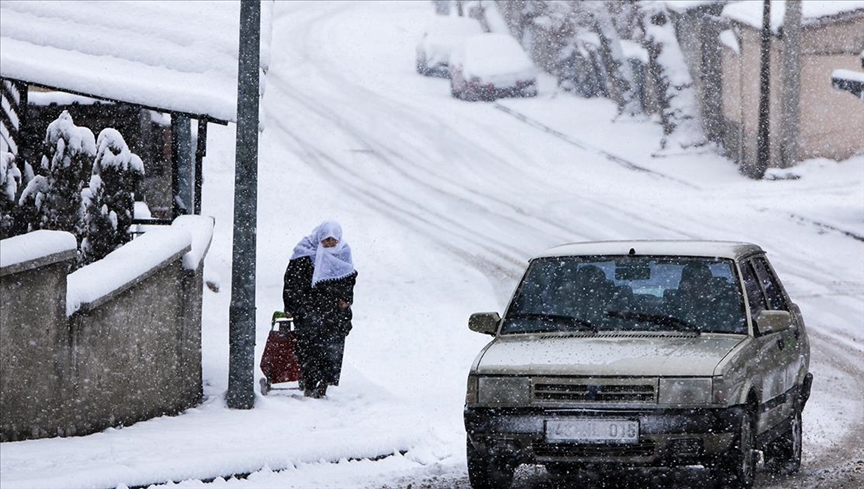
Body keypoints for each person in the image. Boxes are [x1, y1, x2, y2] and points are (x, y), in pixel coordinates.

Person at [283, 221, 357, 398]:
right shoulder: (304, 253)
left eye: (333, 240)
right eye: (326, 239)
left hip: (334, 312)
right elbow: (291, 282)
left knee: (332, 347)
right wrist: (291, 306)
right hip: (308, 309)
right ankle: (309, 381)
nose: (330, 244)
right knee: (308, 346)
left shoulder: (343, 253)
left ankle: (325, 381)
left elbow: (349, 279)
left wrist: (346, 299)